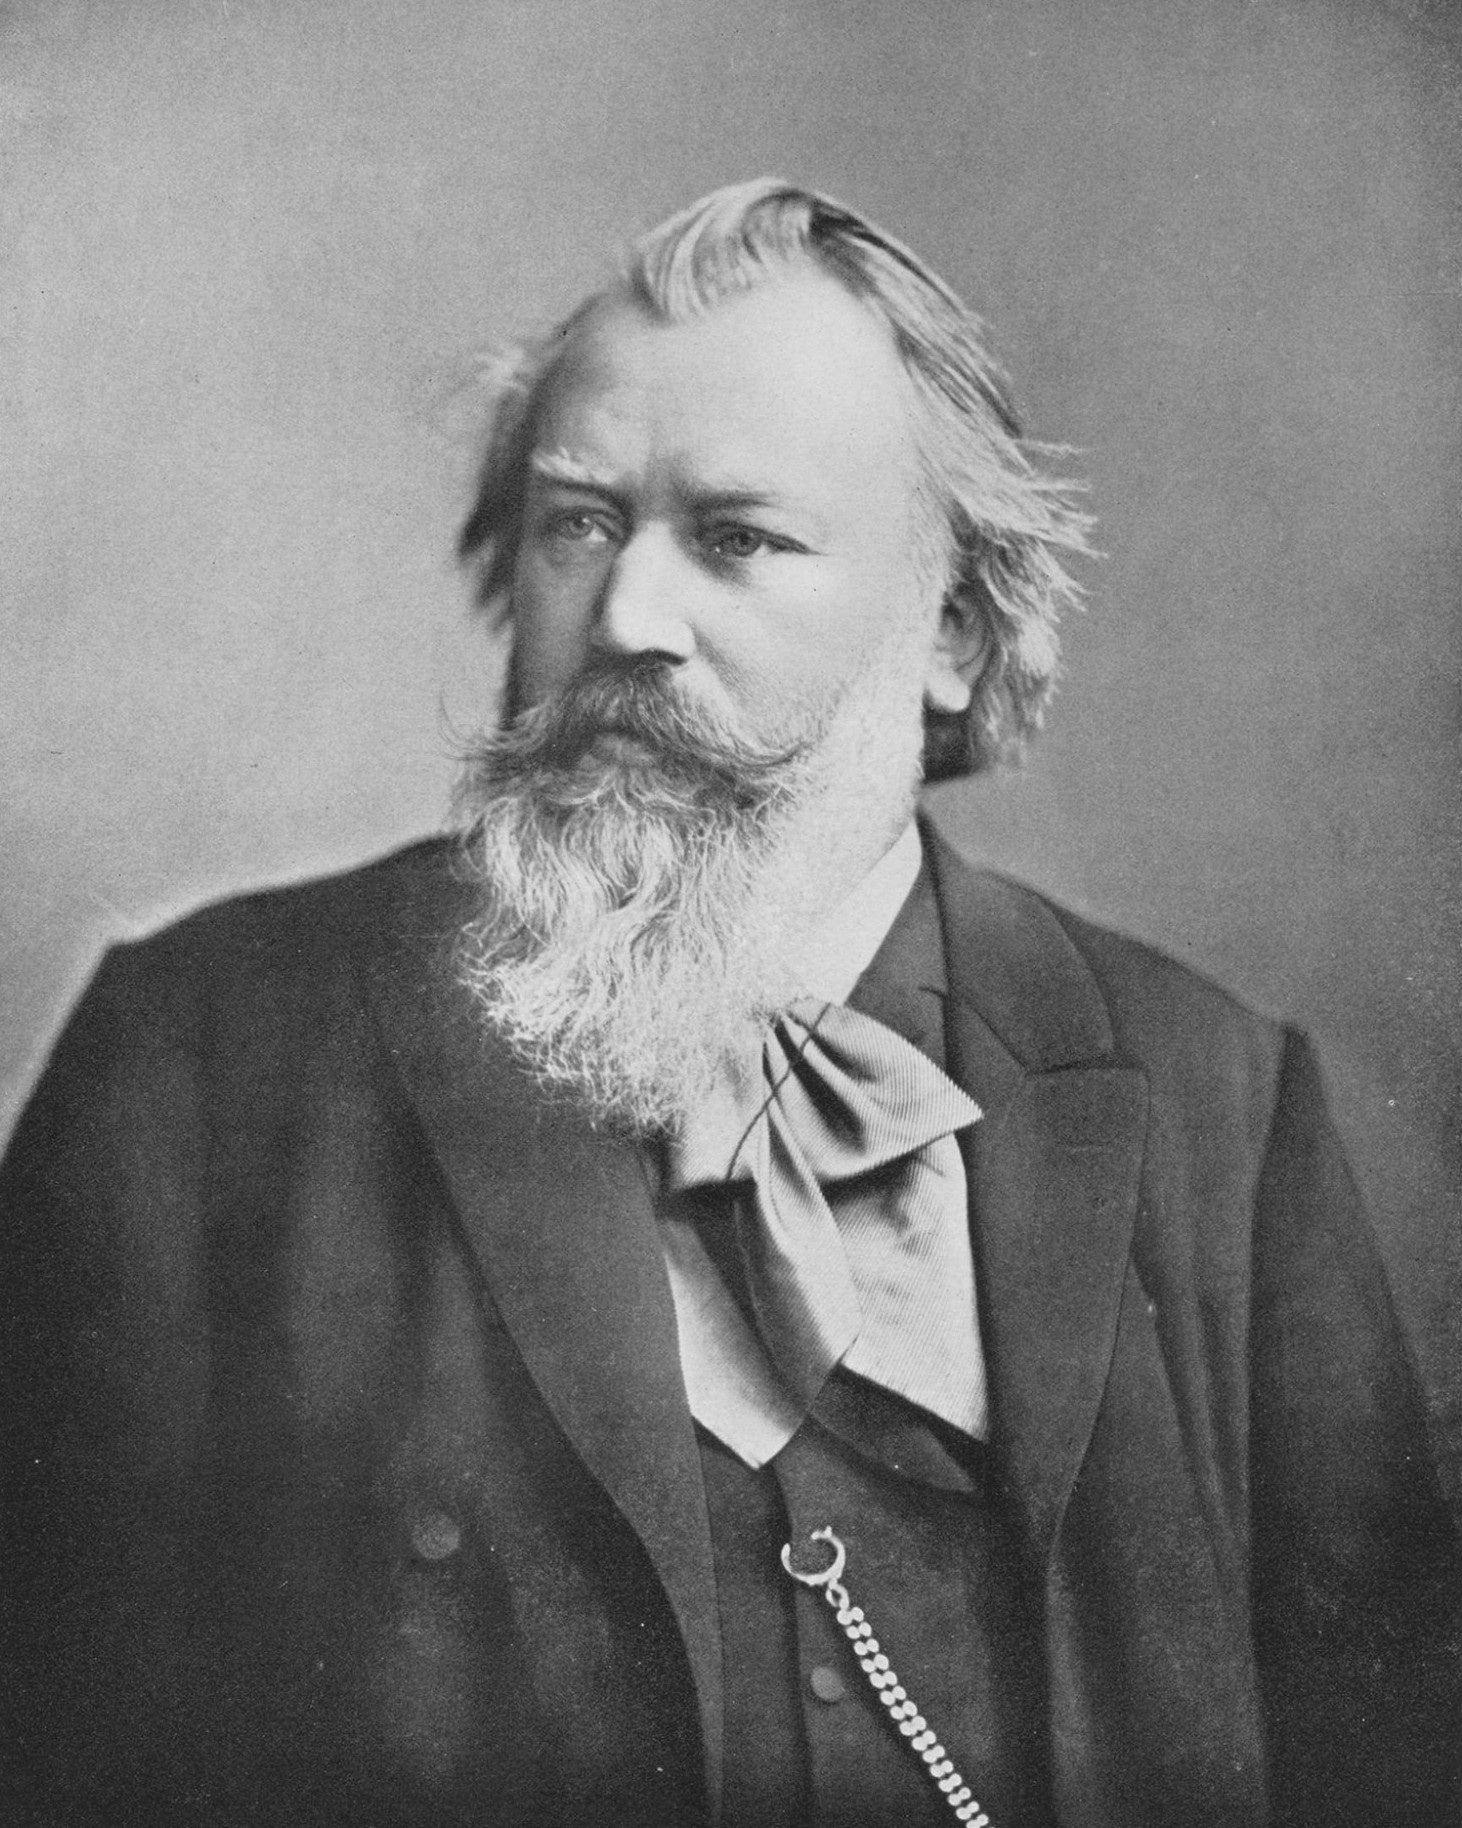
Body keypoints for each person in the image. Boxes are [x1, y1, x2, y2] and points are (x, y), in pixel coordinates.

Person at [1, 179, 1455, 1828]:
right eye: (577, 523)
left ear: (954, 631)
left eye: (737, 538)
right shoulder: (200, 1067)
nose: (625, 618)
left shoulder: (1217, 1106)